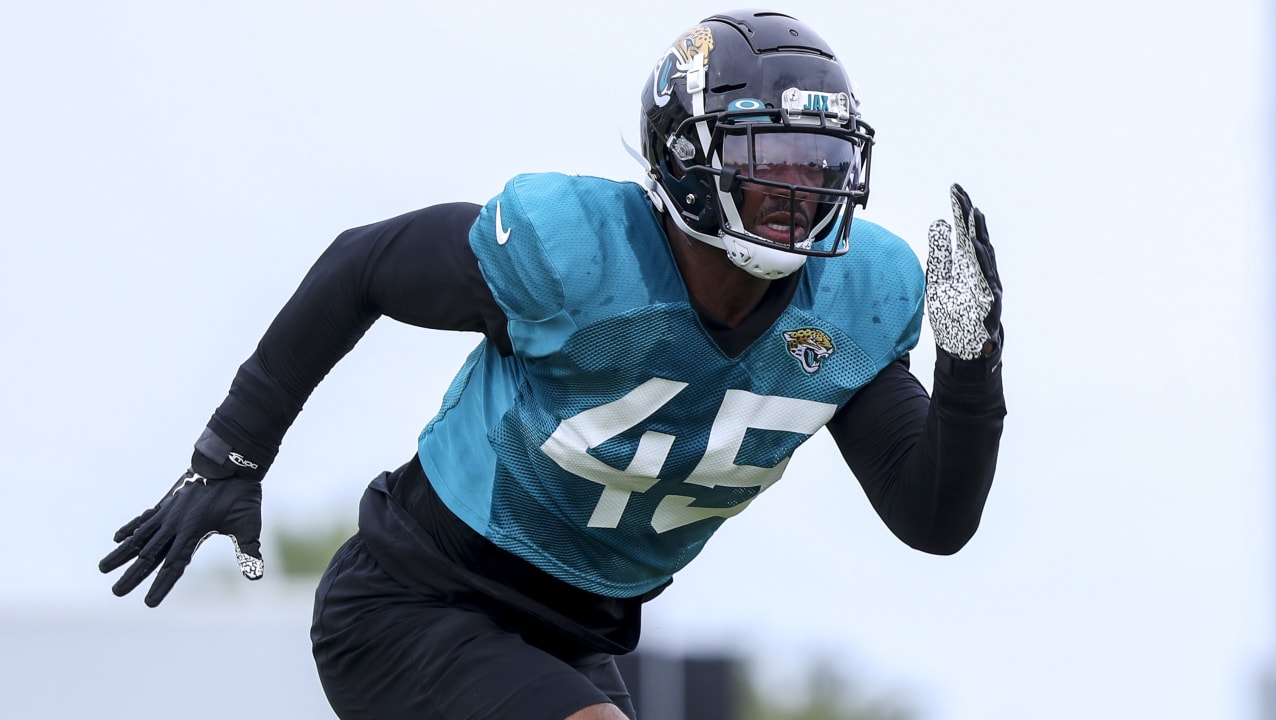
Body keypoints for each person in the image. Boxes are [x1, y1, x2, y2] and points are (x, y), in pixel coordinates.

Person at [99, 9, 1007, 720]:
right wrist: (233, 453)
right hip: (413, 603)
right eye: (771, 159)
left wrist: (968, 367)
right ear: (689, 155)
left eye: (821, 163)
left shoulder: (853, 301)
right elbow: (361, 265)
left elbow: (933, 518)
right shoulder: (574, 256)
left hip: (573, 645)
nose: (800, 192)